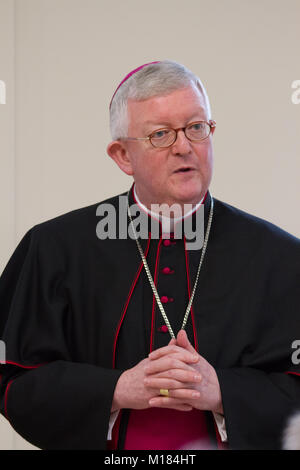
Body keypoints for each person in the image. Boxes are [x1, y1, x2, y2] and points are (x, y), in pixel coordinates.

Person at [0, 60, 299, 450]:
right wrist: (117, 389)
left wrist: (222, 391)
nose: (184, 146)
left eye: (196, 127)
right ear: (122, 156)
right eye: (161, 134)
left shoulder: (280, 256)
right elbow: (13, 380)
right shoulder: (55, 247)